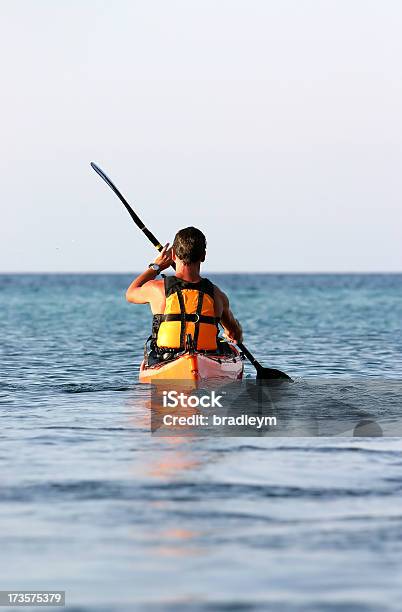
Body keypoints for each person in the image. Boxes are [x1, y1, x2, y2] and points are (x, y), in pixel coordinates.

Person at [126, 227, 242, 360]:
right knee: (227, 348)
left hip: (167, 359)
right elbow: (234, 332)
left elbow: (130, 293)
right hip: (206, 360)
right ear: (203, 256)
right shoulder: (218, 295)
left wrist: (156, 267)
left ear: (173, 255)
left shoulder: (157, 289)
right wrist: (232, 333)